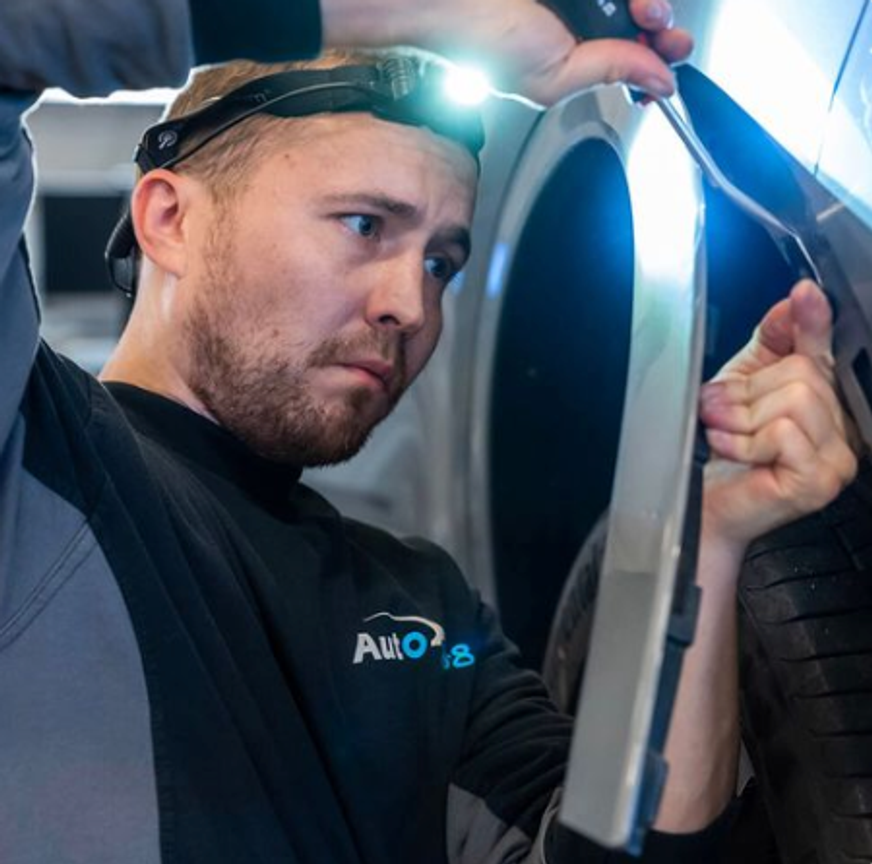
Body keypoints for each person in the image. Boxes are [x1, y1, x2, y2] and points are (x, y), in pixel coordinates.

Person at [0, 1, 857, 862]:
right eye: (364, 225)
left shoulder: (422, 608)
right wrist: (428, 10)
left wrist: (703, 538)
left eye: (441, 262)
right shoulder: (31, 454)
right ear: (170, 220)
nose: (411, 306)